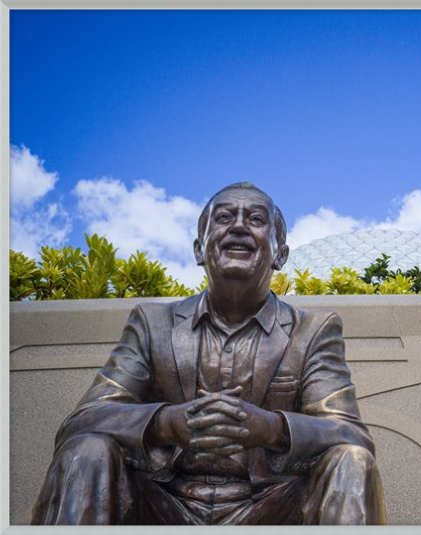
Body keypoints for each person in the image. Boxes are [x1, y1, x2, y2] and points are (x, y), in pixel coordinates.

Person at [31, 182, 387, 525]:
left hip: (272, 508)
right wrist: (166, 423)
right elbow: (83, 421)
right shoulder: (152, 323)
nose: (238, 227)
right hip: (162, 505)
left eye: (256, 219)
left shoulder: (312, 330)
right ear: (199, 249)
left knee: (351, 459)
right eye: (224, 217)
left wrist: (272, 428)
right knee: (87, 448)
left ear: (280, 254)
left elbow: (350, 433)